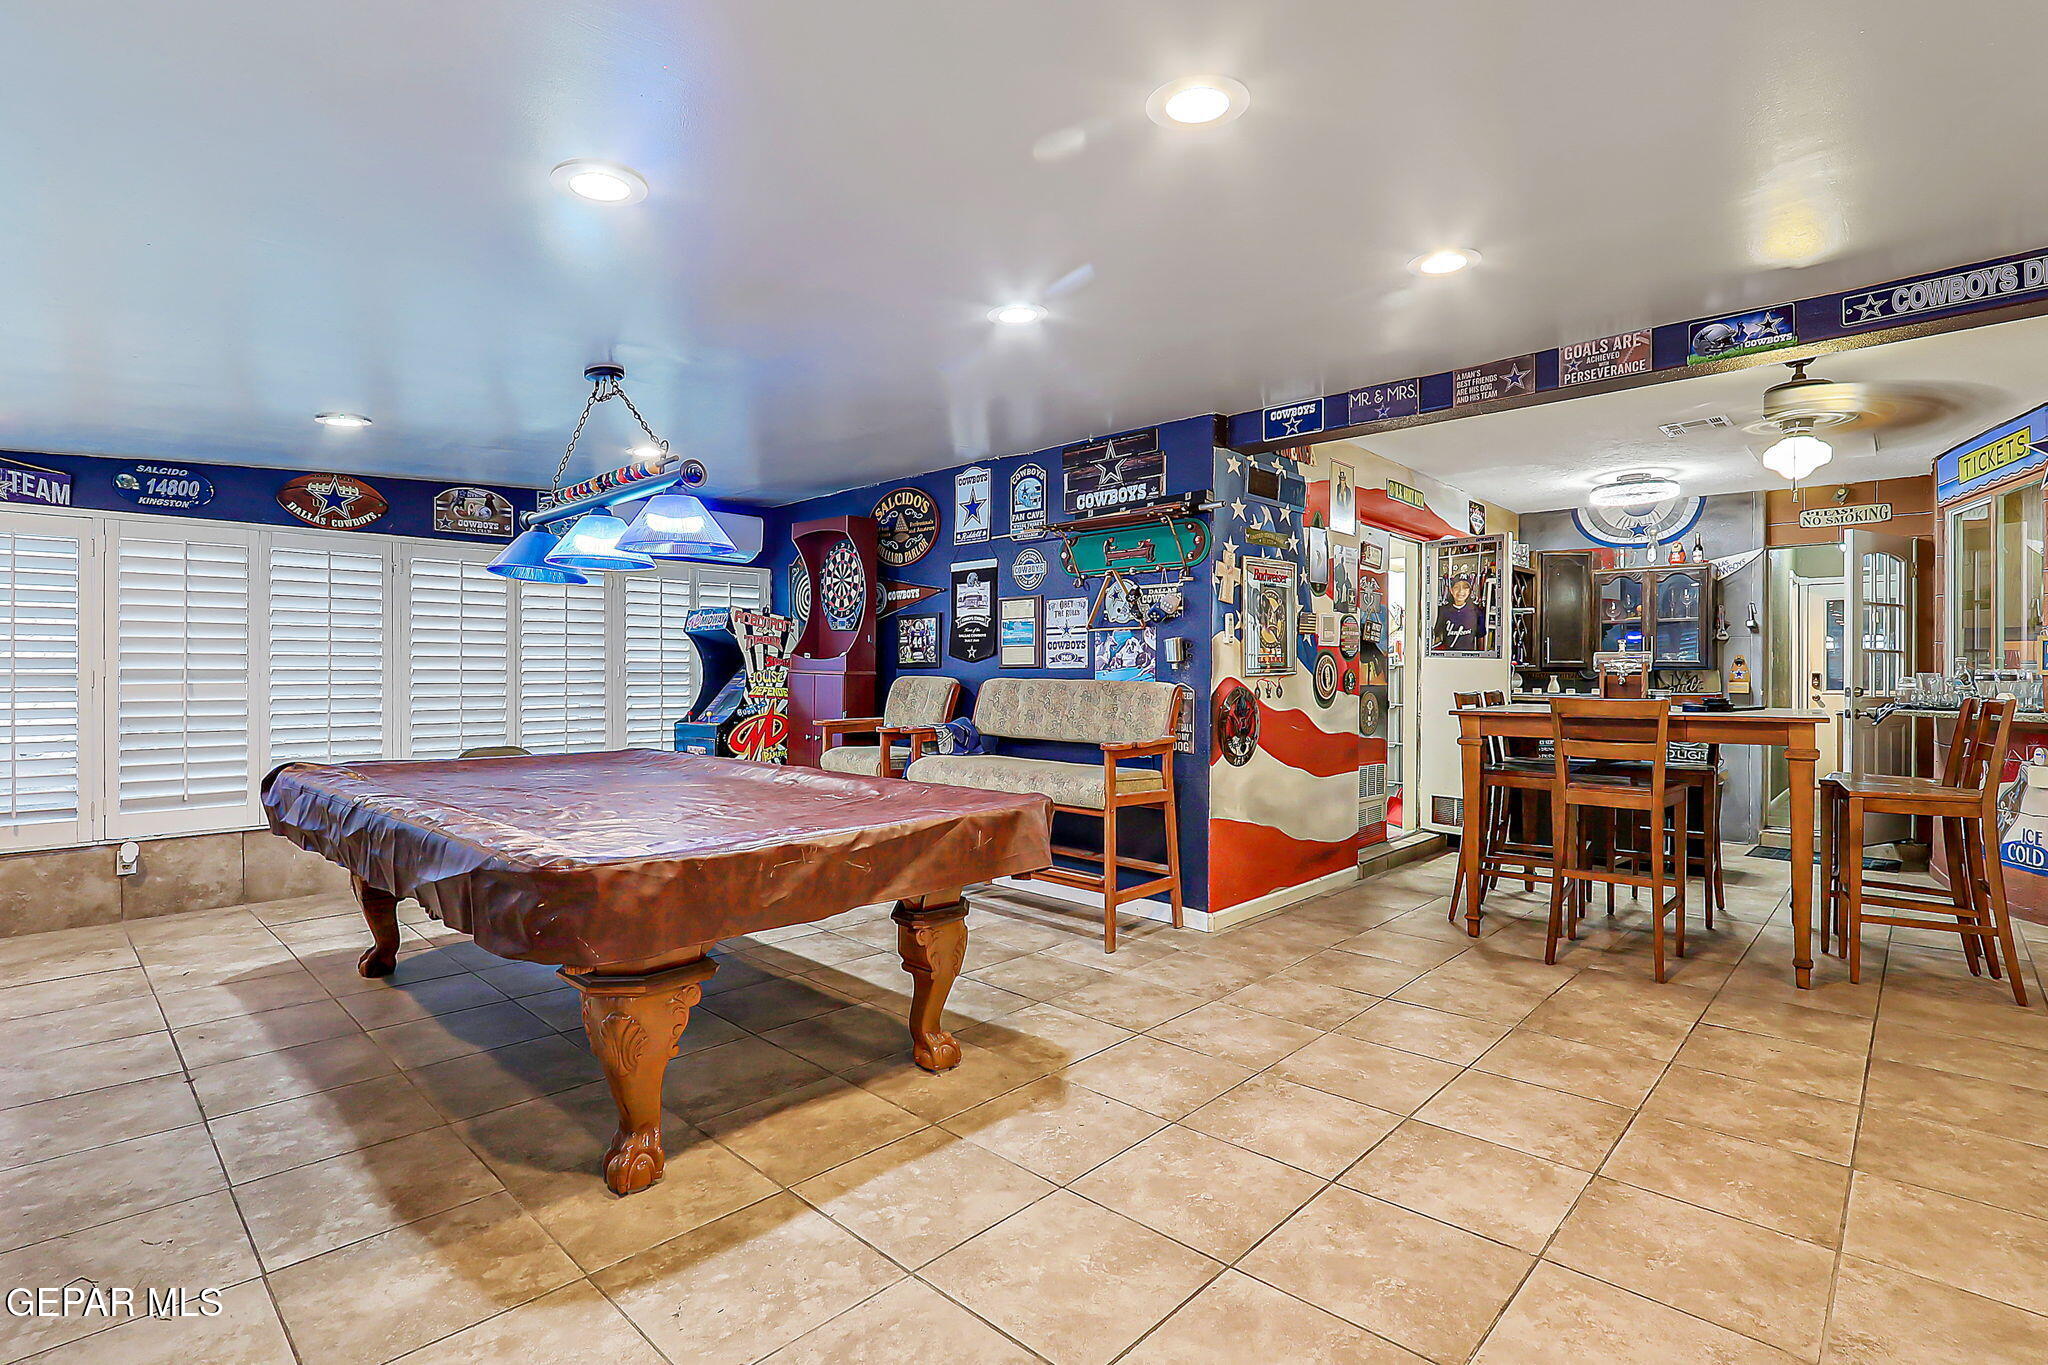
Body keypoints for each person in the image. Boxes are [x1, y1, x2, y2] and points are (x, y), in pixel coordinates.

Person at [1432, 573, 1486, 651]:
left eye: (1465, 587)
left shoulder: (1476, 611)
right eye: (1457, 587)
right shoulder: (1443, 611)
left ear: (1470, 591)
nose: (1461, 591)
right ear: (1451, 590)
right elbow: (1437, 635)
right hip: (1448, 656)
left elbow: (1480, 637)